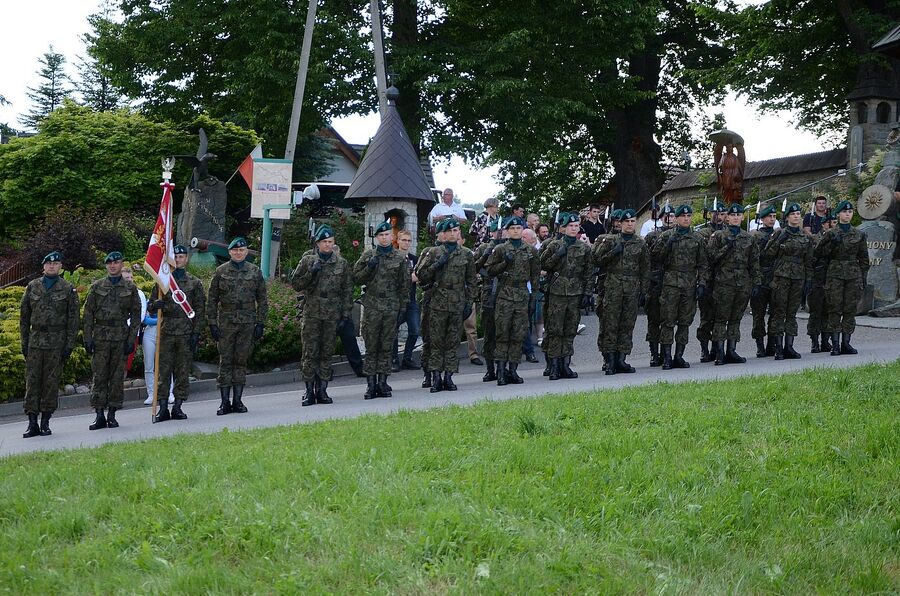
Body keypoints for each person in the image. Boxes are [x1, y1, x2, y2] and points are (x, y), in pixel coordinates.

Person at [19, 251, 80, 438]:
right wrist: (25, 342)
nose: (52, 266)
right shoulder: (33, 286)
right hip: (36, 342)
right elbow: (24, 317)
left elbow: (73, 320)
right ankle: (32, 423)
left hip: (56, 343)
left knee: (51, 384)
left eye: (56, 264)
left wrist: (69, 345)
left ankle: (45, 422)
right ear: (43, 266)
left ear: (61, 267)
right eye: (48, 264)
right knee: (32, 383)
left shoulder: (68, 289)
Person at [292, 226, 352, 406]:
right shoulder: (308, 261)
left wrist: (345, 315)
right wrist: (312, 271)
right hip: (312, 312)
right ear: (318, 243)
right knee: (310, 352)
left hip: (332, 313)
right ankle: (309, 391)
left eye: (330, 242)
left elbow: (347, 290)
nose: (327, 245)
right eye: (324, 242)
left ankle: (322, 390)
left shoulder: (341, 263)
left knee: (326, 352)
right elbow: (296, 284)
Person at [207, 237, 268, 414]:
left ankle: (238, 401)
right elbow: (212, 300)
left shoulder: (255, 271)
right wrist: (212, 323)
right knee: (226, 361)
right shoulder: (221, 271)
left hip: (247, 322)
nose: (238, 253)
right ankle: (224, 402)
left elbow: (262, 299)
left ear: (246, 252)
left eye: (242, 250)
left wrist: (260, 322)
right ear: (230, 252)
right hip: (226, 321)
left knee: (241, 361)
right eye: (235, 250)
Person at [415, 219, 476, 392]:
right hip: (437, 302)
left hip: (457, 302)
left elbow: (471, 282)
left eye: (455, 230)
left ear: (459, 233)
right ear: (443, 233)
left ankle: (449, 376)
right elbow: (422, 276)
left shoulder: (466, 254)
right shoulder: (434, 252)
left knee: (452, 342)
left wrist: (468, 303)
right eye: (449, 231)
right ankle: (435, 377)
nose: (452, 234)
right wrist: (436, 264)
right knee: (436, 342)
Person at [82, 251, 142, 430]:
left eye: (116, 263)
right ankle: (99, 414)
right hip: (100, 337)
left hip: (120, 337)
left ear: (121, 264)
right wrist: (87, 338)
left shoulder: (130, 288)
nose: (112, 266)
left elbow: (137, 314)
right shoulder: (97, 286)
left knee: (116, 378)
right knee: (99, 376)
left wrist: (131, 339)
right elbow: (87, 314)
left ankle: (112, 414)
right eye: (109, 263)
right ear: (106, 266)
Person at [148, 244, 207, 421]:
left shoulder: (194, 283)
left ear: (186, 259)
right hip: (166, 331)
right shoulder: (162, 282)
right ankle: (163, 408)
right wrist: (155, 305)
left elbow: (199, 310)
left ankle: (178, 407)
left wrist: (196, 333)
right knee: (163, 372)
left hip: (185, 333)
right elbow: (151, 306)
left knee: (182, 372)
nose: (179, 259)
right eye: (176, 257)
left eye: (182, 257)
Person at [353, 221, 410, 400]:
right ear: (377, 237)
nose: (384, 238)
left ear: (392, 237)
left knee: (386, 346)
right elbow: (355, 278)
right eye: (381, 235)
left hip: (391, 307)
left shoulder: (400, 258)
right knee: (371, 346)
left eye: (387, 235)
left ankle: (383, 382)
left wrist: (403, 307)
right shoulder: (368, 255)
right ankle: (371, 384)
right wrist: (370, 266)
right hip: (372, 307)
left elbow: (404, 285)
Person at [593, 209, 649, 375]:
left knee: (627, 324)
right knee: (611, 323)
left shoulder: (640, 243)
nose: (630, 224)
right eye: (627, 222)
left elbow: (645, 268)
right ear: (620, 223)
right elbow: (595, 260)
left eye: (633, 221)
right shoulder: (610, 240)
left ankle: (621, 359)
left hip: (632, 287)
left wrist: (643, 291)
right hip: (613, 286)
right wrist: (612, 252)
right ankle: (609, 360)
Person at [486, 216, 540, 385]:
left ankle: (513, 370)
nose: (516, 231)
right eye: (512, 228)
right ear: (507, 231)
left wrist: (533, 298)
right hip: (505, 294)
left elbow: (535, 275)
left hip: (523, 293)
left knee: (518, 334)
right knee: (503, 333)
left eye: (518, 228)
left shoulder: (530, 250)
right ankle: (501, 371)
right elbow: (490, 271)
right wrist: (503, 264)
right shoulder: (501, 249)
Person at [652, 205, 708, 370]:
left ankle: (679, 356)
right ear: (675, 218)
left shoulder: (697, 239)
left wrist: (702, 283)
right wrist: (667, 245)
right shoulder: (666, 236)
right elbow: (655, 258)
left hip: (689, 284)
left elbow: (703, 263)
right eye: (683, 216)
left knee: (685, 321)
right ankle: (667, 356)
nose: (686, 219)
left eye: (689, 216)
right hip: (670, 284)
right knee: (668, 321)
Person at [707, 204, 762, 365]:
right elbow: (711, 259)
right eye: (733, 215)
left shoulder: (749, 238)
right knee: (721, 318)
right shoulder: (719, 236)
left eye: (739, 215)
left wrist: (756, 282)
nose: (736, 217)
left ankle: (731, 350)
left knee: (735, 318)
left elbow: (754, 262)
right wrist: (726, 246)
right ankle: (719, 352)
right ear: (727, 217)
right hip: (723, 282)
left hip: (742, 283)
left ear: (743, 217)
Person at [540, 213, 593, 380]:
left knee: (570, 330)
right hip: (557, 292)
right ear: (563, 228)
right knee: (556, 329)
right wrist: (558, 254)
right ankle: (554, 365)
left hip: (575, 292)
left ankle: (566, 364)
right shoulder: (555, 245)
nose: (574, 228)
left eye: (576, 226)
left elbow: (589, 273)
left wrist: (587, 293)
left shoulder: (583, 248)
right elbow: (543, 264)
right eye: (571, 226)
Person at [813, 200, 869, 355]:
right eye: (845, 212)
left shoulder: (859, 234)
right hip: (835, 274)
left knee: (850, 309)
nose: (847, 215)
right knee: (835, 308)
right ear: (839, 214)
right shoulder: (831, 233)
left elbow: (864, 258)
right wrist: (831, 244)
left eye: (850, 212)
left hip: (853, 274)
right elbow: (818, 254)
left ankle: (846, 342)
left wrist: (863, 277)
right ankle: (835, 343)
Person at [764, 203, 813, 360]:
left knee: (791, 313)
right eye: (793, 214)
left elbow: (808, 260)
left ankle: (789, 346)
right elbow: (768, 254)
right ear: (787, 217)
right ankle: (778, 347)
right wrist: (779, 241)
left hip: (798, 277)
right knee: (779, 311)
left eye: (798, 214)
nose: (796, 216)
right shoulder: (780, 234)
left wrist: (808, 280)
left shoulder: (804, 237)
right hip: (782, 277)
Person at [642, 204, 674, 366]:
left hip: (672, 283)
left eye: (672, 216)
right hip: (655, 282)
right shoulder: (652, 236)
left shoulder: (679, 235)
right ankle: (654, 353)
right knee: (654, 320)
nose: (670, 219)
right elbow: (647, 260)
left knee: (669, 320)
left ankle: (667, 353)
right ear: (661, 218)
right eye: (666, 216)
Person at [417, 223, 447, 389]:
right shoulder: (429, 252)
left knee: (446, 340)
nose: (447, 234)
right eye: (444, 232)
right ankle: (427, 373)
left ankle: (444, 374)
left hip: (449, 301)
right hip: (431, 299)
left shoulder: (457, 252)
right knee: (429, 338)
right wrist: (436, 265)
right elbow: (420, 274)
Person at [696, 202, 727, 362]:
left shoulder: (729, 233)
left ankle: (717, 347)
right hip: (708, 280)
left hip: (724, 281)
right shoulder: (703, 233)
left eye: (722, 214)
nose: (719, 217)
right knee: (707, 317)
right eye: (716, 213)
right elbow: (702, 259)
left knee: (720, 316)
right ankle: (704, 348)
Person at [473, 219, 502, 381]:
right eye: (495, 231)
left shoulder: (508, 248)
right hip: (489, 294)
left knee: (504, 333)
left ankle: (504, 368)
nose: (499, 233)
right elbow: (474, 267)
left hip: (506, 295)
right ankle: (490, 368)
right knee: (490, 333)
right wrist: (486, 253)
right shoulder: (484, 248)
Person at [750, 205, 778, 357]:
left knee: (775, 313)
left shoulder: (778, 235)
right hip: (760, 278)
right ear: (762, 219)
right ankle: (760, 345)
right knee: (758, 314)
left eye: (774, 217)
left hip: (775, 278)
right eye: (769, 217)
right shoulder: (756, 236)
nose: (772, 219)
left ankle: (771, 344)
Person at [806, 212, 835, 353]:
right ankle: (814, 341)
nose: (833, 225)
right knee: (816, 311)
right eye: (830, 223)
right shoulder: (815, 239)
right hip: (816, 279)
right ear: (824, 224)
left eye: (834, 223)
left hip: (830, 278)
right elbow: (811, 258)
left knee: (828, 311)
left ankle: (825, 340)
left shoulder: (836, 238)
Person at [393, 230, 420, 371]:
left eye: (409, 240)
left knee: (415, 330)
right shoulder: (392, 258)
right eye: (404, 240)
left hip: (411, 299)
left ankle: (407, 358)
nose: (406, 243)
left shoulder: (414, 259)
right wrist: (410, 277)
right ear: (397, 241)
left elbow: (419, 276)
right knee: (393, 329)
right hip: (396, 300)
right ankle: (394, 359)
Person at [459, 230, 483, 366]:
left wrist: (473, 295)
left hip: (467, 295)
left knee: (471, 326)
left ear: (463, 240)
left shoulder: (469, 254)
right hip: (451, 296)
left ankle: (473, 354)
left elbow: (475, 275)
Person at [521, 227, 541, 363]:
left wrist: (534, 294)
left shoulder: (533, 252)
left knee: (526, 323)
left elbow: (535, 274)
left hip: (528, 291)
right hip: (511, 292)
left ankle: (528, 351)